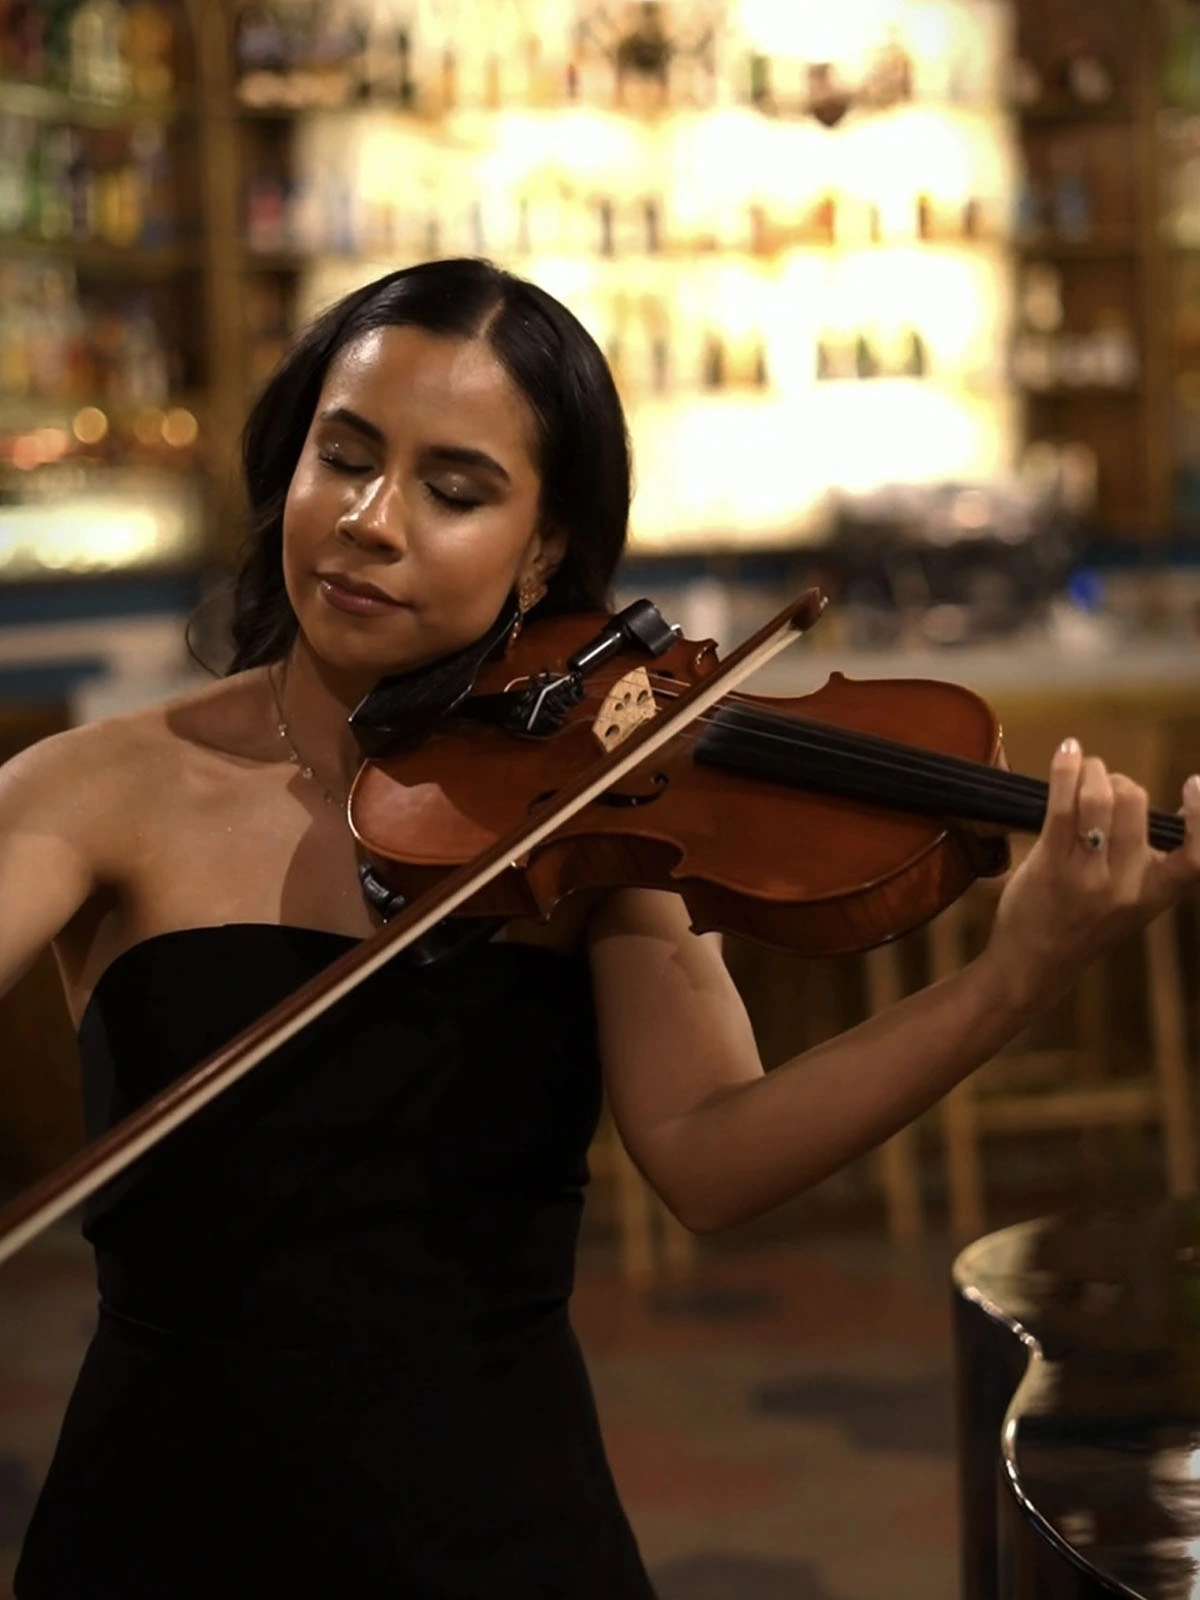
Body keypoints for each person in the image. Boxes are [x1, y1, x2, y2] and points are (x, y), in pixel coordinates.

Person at [0, 257, 1197, 1598]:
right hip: (156, 1528)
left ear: (547, 551)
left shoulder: (592, 818)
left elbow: (712, 1156)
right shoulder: (95, 789)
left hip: (499, 1531)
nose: (373, 521)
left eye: (455, 492)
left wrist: (1018, 973)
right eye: (344, 459)